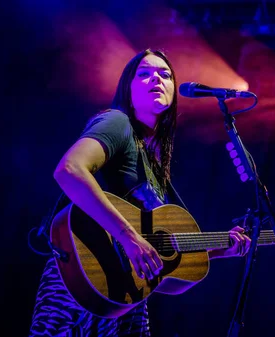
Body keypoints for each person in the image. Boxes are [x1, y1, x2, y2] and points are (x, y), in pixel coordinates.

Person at [29, 48, 251, 336]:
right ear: (128, 88)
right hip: (81, 280)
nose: (155, 79)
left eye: (165, 74)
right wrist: (129, 237)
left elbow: (160, 245)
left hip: (126, 295)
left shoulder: (155, 163)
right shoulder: (116, 122)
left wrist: (222, 248)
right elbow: (70, 170)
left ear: (173, 91)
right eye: (144, 74)